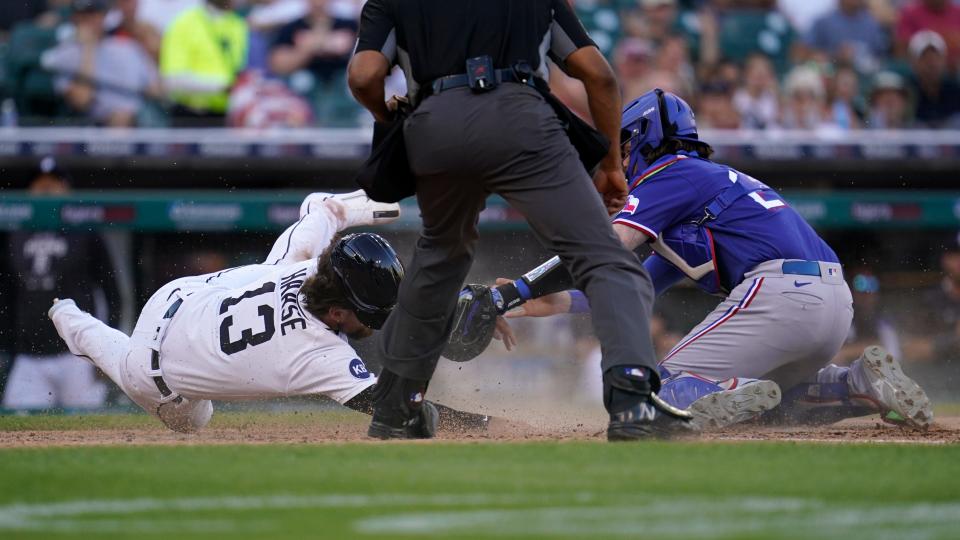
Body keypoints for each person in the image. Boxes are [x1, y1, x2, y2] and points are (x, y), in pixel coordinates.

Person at [491, 89, 933, 431]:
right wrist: (539, 305)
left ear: (647, 136)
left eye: (624, 147)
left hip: (780, 295)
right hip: (831, 304)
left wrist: (518, 288)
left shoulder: (671, 171)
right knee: (782, 405)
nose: (620, 160)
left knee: (653, 395)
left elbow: (602, 248)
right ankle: (858, 382)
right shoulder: (701, 186)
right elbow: (632, 285)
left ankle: (732, 390)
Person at [348, 0, 690, 441]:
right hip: (521, 118)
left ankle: (396, 408)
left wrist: (385, 114)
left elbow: (363, 75)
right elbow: (598, 76)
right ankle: (632, 402)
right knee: (604, 258)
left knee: (440, 257)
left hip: (436, 124)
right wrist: (609, 163)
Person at [48, 191, 491, 435]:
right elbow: (400, 412)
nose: (373, 323)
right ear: (337, 313)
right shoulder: (319, 356)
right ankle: (67, 316)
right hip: (156, 376)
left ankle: (329, 208)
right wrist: (486, 426)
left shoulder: (310, 267)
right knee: (194, 421)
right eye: (366, 314)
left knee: (284, 259)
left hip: (176, 296)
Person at [1, 157, 119, 411]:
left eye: (53, 184)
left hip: (77, 355)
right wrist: (8, 347)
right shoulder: (12, 232)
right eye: (39, 183)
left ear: (67, 190)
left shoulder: (85, 231)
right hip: (28, 356)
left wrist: (106, 352)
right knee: (16, 426)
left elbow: (112, 294)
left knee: (90, 427)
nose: (46, 189)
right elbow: (7, 297)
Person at [41, 0, 160, 127]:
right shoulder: (64, 54)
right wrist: (88, 48)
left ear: (104, 16)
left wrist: (152, 48)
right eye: (82, 15)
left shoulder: (127, 47)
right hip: (97, 125)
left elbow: (157, 91)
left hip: (141, 118)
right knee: (120, 118)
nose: (87, 21)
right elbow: (82, 100)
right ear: (74, 18)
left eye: (93, 14)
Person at [159, 0, 248, 126]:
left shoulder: (238, 25)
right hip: (189, 117)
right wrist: (221, 87)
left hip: (227, 118)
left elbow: (240, 69)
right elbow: (172, 80)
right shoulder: (183, 23)